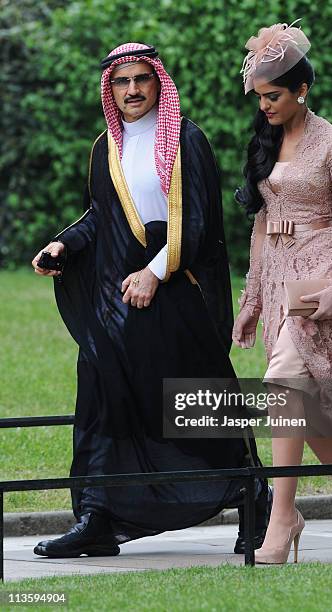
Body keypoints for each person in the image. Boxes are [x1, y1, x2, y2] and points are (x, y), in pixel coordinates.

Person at [31, 42, 271, 558]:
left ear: (158, 82)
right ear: (110, 90)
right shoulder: (105, 147)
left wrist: (155, 272)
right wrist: (64, 243)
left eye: (142, 79)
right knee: (101, 396)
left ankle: (250, 494)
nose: (133, 90)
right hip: (117, 297)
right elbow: (102, 214)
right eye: (122, 82)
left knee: (188, 399)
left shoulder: (186, 139)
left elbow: (201, 222)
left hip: (175, 290)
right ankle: (97, 513)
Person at [233, 20, 332, 565]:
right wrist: (252, 298)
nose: (265, 107)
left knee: (283, 383)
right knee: (306, 404)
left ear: (302, 89)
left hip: (317, 277)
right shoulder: (268, 138)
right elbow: (262, 225)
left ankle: (282, 517)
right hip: (277, 276)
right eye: (259, 97)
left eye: (273, 96)